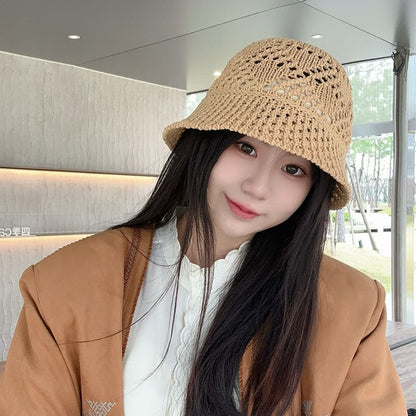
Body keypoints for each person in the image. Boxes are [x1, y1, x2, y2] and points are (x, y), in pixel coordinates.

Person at [0, 38, 407, 416]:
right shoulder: (63, 283)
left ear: (313, 191)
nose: (258, 187)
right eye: (245, 147)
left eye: (293, 169)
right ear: (205, 142)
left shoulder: (352, 307)